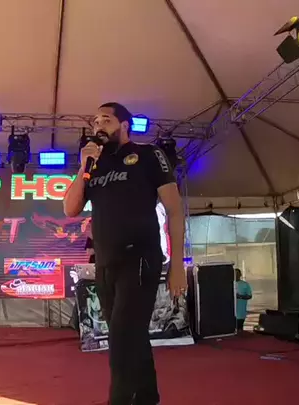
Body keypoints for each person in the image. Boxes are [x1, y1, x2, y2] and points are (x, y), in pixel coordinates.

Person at [63, 102, 186, 405]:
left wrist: (177, 265)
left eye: (106, 120)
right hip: (106, 263)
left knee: (121, 336)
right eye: (95, 122)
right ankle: (147, 397)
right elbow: (70, 208)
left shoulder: (148, 155)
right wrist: (83, 166)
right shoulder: (95, 165)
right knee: (132, 335)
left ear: (125, 125)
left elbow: (174, 211)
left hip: (140, 257)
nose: (98, 126)